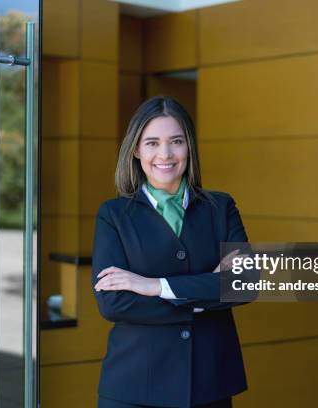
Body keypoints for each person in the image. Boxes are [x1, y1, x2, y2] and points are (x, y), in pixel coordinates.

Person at [92, 96, 252, 408]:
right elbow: (113, 302)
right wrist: (205, 293)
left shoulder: (221, 208)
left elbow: (244, 283)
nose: (164, 154)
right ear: (136, 150)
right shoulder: (113, 215)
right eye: (152, 143)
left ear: (188, 147)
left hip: (209, 386)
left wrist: (153, 286)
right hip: (134, 387)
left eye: (176, 141)